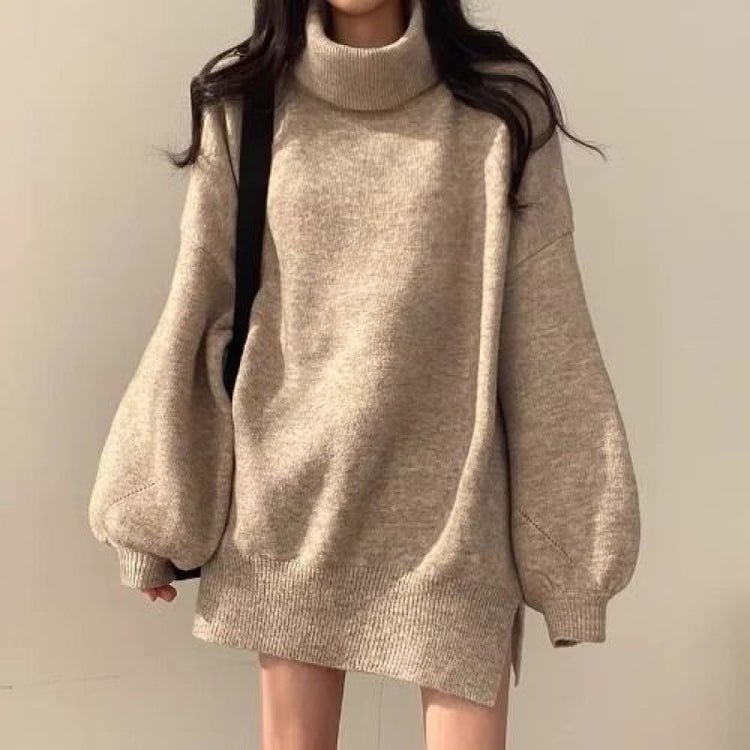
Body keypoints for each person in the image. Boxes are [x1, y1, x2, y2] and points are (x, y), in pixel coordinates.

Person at [88, 0, 641, 747]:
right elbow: (198, 312)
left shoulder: (502, 107)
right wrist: (153, 514)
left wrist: (575, 565)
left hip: (455, 527)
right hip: (290, 514)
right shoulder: (248, 106)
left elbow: (549, 340)